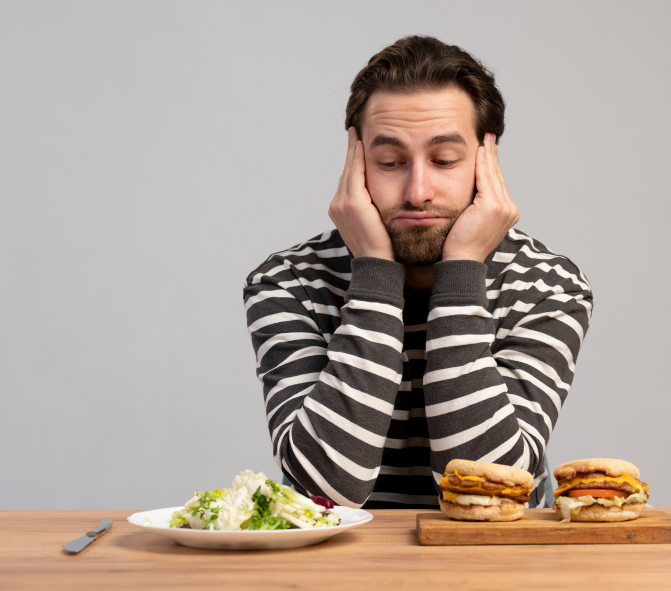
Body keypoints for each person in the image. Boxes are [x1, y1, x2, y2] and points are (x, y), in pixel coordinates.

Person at [243, 35, 592, 509]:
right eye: (390, 162)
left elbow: (493, 491)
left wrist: (462, 273)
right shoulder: (290, 283)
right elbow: (323, 492)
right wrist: (376, 276)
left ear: (485, 162)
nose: (418, 191)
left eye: (444, 160)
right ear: (356, 161)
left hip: (498, 571)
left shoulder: (548, 286)